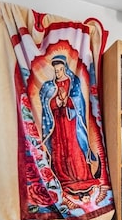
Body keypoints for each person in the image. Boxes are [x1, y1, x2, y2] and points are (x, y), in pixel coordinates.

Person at [39, 55, 98, 189]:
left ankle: (80, 176)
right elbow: (45, 102)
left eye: (60, 69)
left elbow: (79, 101)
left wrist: (67, 101)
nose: (58, 73)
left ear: (65, 68)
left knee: (73, 146)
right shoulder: (49, 85)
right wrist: (56, 102)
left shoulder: (74, 82)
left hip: (70, 121)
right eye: (56, 70)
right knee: (59, 147)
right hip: (57, 122)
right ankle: (61, 176)